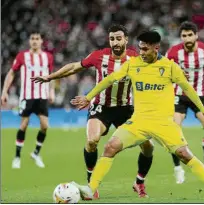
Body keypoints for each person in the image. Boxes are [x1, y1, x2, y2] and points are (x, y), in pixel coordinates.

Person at [70, 30, 204, 202]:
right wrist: (88, 96)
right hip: (139, 122)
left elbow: (189, 89)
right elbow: (109, 80)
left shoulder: (170, 66)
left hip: (164, 124)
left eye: (145, 49)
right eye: (140, 49)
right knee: (110, 146)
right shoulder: (133, 64)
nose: (141, 53)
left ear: (156, 48)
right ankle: (90, 189)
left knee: (184, 154)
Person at [31, 24, 154, 198]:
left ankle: (139, 182)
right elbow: (74, 67)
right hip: (100, 107)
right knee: (92, 141)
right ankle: (91, 184)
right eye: (112, 39)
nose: (115, 42)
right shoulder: (99, 56)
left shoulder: (136, 57)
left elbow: (158, 67)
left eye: (119, 38)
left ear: (126, 39)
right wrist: (50, 77)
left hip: (126, 108)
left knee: (148, 146)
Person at [165, 21, 204, 183]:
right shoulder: (173, 53)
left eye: (190, 35)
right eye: (184, 35)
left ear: (196, 35)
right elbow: (165, 74)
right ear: (181, 37)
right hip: (179, 95)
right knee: (173, 130)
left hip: (200, 95)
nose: (187, 38)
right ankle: (178, 168)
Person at [1, 30, 55, 169]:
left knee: (45, 126)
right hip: (27, 96)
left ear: (42, 41)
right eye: (32, 38)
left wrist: (52, 91)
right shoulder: (22, 56)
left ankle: (36, 153)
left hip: (42, 96)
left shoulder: (48, 57)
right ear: (29, 41)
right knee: (24, 124)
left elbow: (51, 75)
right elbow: (11, 73)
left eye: (37, 38)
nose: (35, 41)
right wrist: (4, 91)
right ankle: (17, 157)